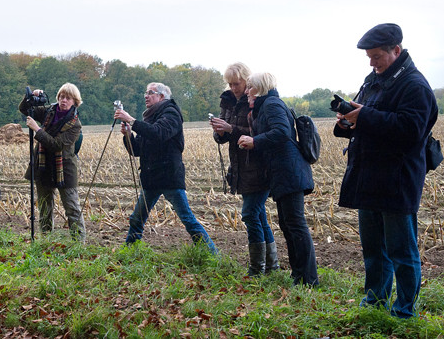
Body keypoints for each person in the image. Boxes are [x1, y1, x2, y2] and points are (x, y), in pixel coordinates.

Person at [333, 23, 438, 318]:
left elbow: (410, 130)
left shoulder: (415, 85)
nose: (371, 62)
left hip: (397, 180)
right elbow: (367, 118)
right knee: (374, 251)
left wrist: (364, 115)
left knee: (402, 252)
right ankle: (375, 301)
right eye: (369, 56)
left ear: (396, 50)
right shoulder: (373, 79)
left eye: (377, 56)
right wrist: (347, 120)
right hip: (368, 177)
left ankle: (404, 311)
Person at [114, 82, 217, 254]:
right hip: (151, 178)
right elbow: (137, 150)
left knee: (187, 219)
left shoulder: (171, 113)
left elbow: (158, 133)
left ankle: (213, 254)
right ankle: (129, 252)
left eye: (150, 93)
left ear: (161, 96)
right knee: (137, 219)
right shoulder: (150, 117)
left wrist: (131, 120)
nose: (146, 96)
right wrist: (128, 135)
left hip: (169, 177)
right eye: (145, 93)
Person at [238, 73, 318, 286]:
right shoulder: (266, 105)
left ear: (261, 87)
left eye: (250, 87)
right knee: (288, 224)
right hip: (283, 173)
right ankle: (298, 275)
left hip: (290, 172)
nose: (246, 91)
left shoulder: (271, 104)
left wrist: (255, 141)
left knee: (296, 225)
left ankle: (309, 279)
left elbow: (282, 132)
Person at [210, 62, 278, 275]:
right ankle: (270, 266)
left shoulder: (256, 99)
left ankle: (257, 269)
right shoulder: (227, 100)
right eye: (229, 84)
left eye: (236, 83)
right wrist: (220, 132)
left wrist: (231, 129)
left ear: (246, 80)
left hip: (257, 163)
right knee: (257, 215)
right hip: (239, 163)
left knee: (250, 214)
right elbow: (225, 136)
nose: (233, 88)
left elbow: (257, 131)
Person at [19, 82, 86, 242]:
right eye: (62, 97)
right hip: (43, 165)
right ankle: (46, 241)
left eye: (68, 98)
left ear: (75, 102)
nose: (64, 100)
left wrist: (37, 130)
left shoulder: (75, 124)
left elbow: (57, 145)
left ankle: (79, 244)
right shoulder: (49, 111)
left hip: (65, 169)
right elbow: (24, 109)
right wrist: (30, 97)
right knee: (44, 207)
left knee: (72, 208)